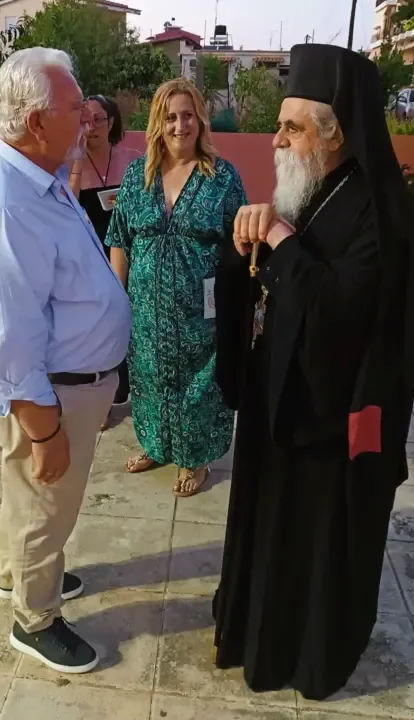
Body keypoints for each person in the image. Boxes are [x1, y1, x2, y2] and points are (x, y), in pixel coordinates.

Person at [213, 44, 414, 701]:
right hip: (277, 407)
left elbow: (342, 315)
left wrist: (279, 241)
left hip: (329, 425)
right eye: (279, 125)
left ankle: (301, 656)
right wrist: (243, 248)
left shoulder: (383, 212)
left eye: (291, 128)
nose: (276, 140)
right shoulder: (306, 190)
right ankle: (251, 630)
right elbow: (271, 280)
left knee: (312, 547)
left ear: (337, 134)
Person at [0, 48, 131, 674]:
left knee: (29, 494)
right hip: (46, 390)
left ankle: (17, 573)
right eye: (75, 108)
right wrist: (45, 430)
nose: (88, 117)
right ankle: (35, 619)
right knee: (46, 505)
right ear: (35, 121)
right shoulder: (4, 205)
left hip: (62, 383)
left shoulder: (40, 177)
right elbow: (8, 338)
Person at [106, 79, 247, 498]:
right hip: (145, 311)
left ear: (200, 121)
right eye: (170, 117)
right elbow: (120, 239)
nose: (179, 125)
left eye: (188, 116)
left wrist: (242, 307)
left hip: (201, 312)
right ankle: (157, 446)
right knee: (149, 380)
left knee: (199, 386)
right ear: (158, 123)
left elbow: (240, 244)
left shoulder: (222, 178)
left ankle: (195, 457)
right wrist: (116, 298)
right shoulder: (138, 176)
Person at [70, 95, 139, 418]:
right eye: (84, 120)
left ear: (111, 123)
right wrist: (76, 162)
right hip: (92, 260)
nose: (91, 127)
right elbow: (66, 209)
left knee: (133, 325)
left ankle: (134, 387)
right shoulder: (72, 165)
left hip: (132, 256)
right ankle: (104, 399)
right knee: (100, 330)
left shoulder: (133, 161)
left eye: (98, 119)